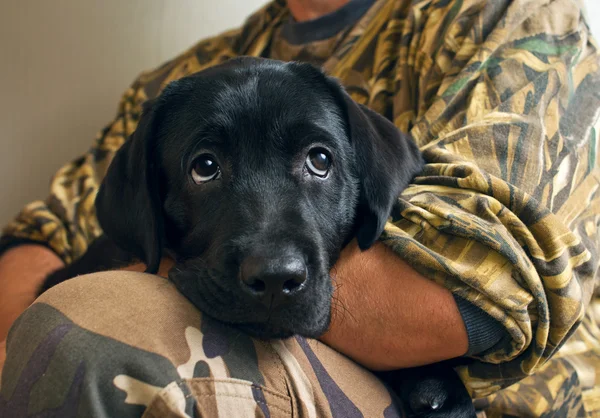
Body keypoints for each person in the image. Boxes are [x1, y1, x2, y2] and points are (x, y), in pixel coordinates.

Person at [0, 0, 598, 416]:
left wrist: (155, 281)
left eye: (317, 161)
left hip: (498, 399)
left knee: (87, 335)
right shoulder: (182, 81)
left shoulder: (501, 18)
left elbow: (481, 285)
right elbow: (47, 229)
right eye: (205, 167)